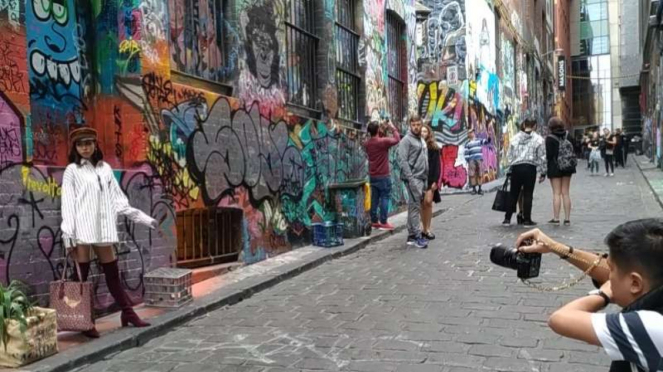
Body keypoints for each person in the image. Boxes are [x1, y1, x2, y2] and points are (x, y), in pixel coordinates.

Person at [516, 220, 663, 372]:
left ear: (635, 284)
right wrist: (555, 247)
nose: (608, 277)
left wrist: (603, 294)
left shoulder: (650, 326)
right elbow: (618, 270)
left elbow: (560, 319)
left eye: (611, 270)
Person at [61, 128, 157, 338]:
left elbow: (119, 201)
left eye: (88, 143)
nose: (85, 147)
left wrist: (143, 218)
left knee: (112, 274)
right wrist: (67, 234)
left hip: (103, 230)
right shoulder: (72, 171)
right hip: (82, 231)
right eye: (80, 144)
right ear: (75, 147)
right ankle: (86, 322)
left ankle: (128, 313)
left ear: (95, 144)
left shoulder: (105, 169)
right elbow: (67, 204)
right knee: (82, 279)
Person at [502, 118, 546, 227]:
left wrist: (510, 168)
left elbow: (509, 156)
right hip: (530, 168)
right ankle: (527, 220)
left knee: (513, 194)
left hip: (516, 168)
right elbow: (542, 157)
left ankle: (507, 219)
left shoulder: (514, 138)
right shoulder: (539, 139)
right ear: (534, 126)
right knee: (528, 194)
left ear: (524, 124)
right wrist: (543, 172)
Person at [398, 115, 429, 249]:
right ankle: (417, 236)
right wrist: (411, 180)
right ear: (410, 125)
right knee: (416, 207)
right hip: (413, 178)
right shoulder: (406, 140)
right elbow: (403, 161)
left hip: (421, 177)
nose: (416, 127)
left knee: (413, 206)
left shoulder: (420, 140)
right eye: (414, 125)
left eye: (418, 124)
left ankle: (411, 235)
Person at [364, 119, 400, 231]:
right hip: (384, 175)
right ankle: (383, 221)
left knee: (374, 198)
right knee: (385, 197)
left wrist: (381, 130)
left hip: (373, 176)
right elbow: (397, 139)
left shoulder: (367, 144)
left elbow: (375, 138)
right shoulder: (382, 142)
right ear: (378, 130)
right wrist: (392, 127)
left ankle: (374, 220)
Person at [545, 117, 576, 226]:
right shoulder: (568, 136)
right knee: (566, 193)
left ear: (551, 127)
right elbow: (575, 149)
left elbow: (548, 156)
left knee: (556, 193)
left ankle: (556, 218)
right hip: (568, 167)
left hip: (555, 168)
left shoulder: (549, 138)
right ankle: (567, 219)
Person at [421, 125, 441, 240]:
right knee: (421, 204)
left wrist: (435, 181)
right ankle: (423, 229)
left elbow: (437, 166)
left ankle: (428, 228)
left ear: (429, 133)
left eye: (425, 131)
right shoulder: (417, 146)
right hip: (419, 179)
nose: (423, 133)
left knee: (428, 202)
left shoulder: (433, 148)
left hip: (430, 179)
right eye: (422, 131)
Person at [464, 129, 491, 195]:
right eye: (470, 132)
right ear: (468, 134)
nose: (472, 133)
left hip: (479, 159)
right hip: (471, 160)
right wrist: (468, 160)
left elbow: (486, 142)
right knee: (472, 174)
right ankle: (474, 189)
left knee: (480, 173)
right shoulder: (467, 143)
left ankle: (480, 189)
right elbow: (466, 153)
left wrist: (489, 137)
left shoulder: (479, 140)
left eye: (472, 132)